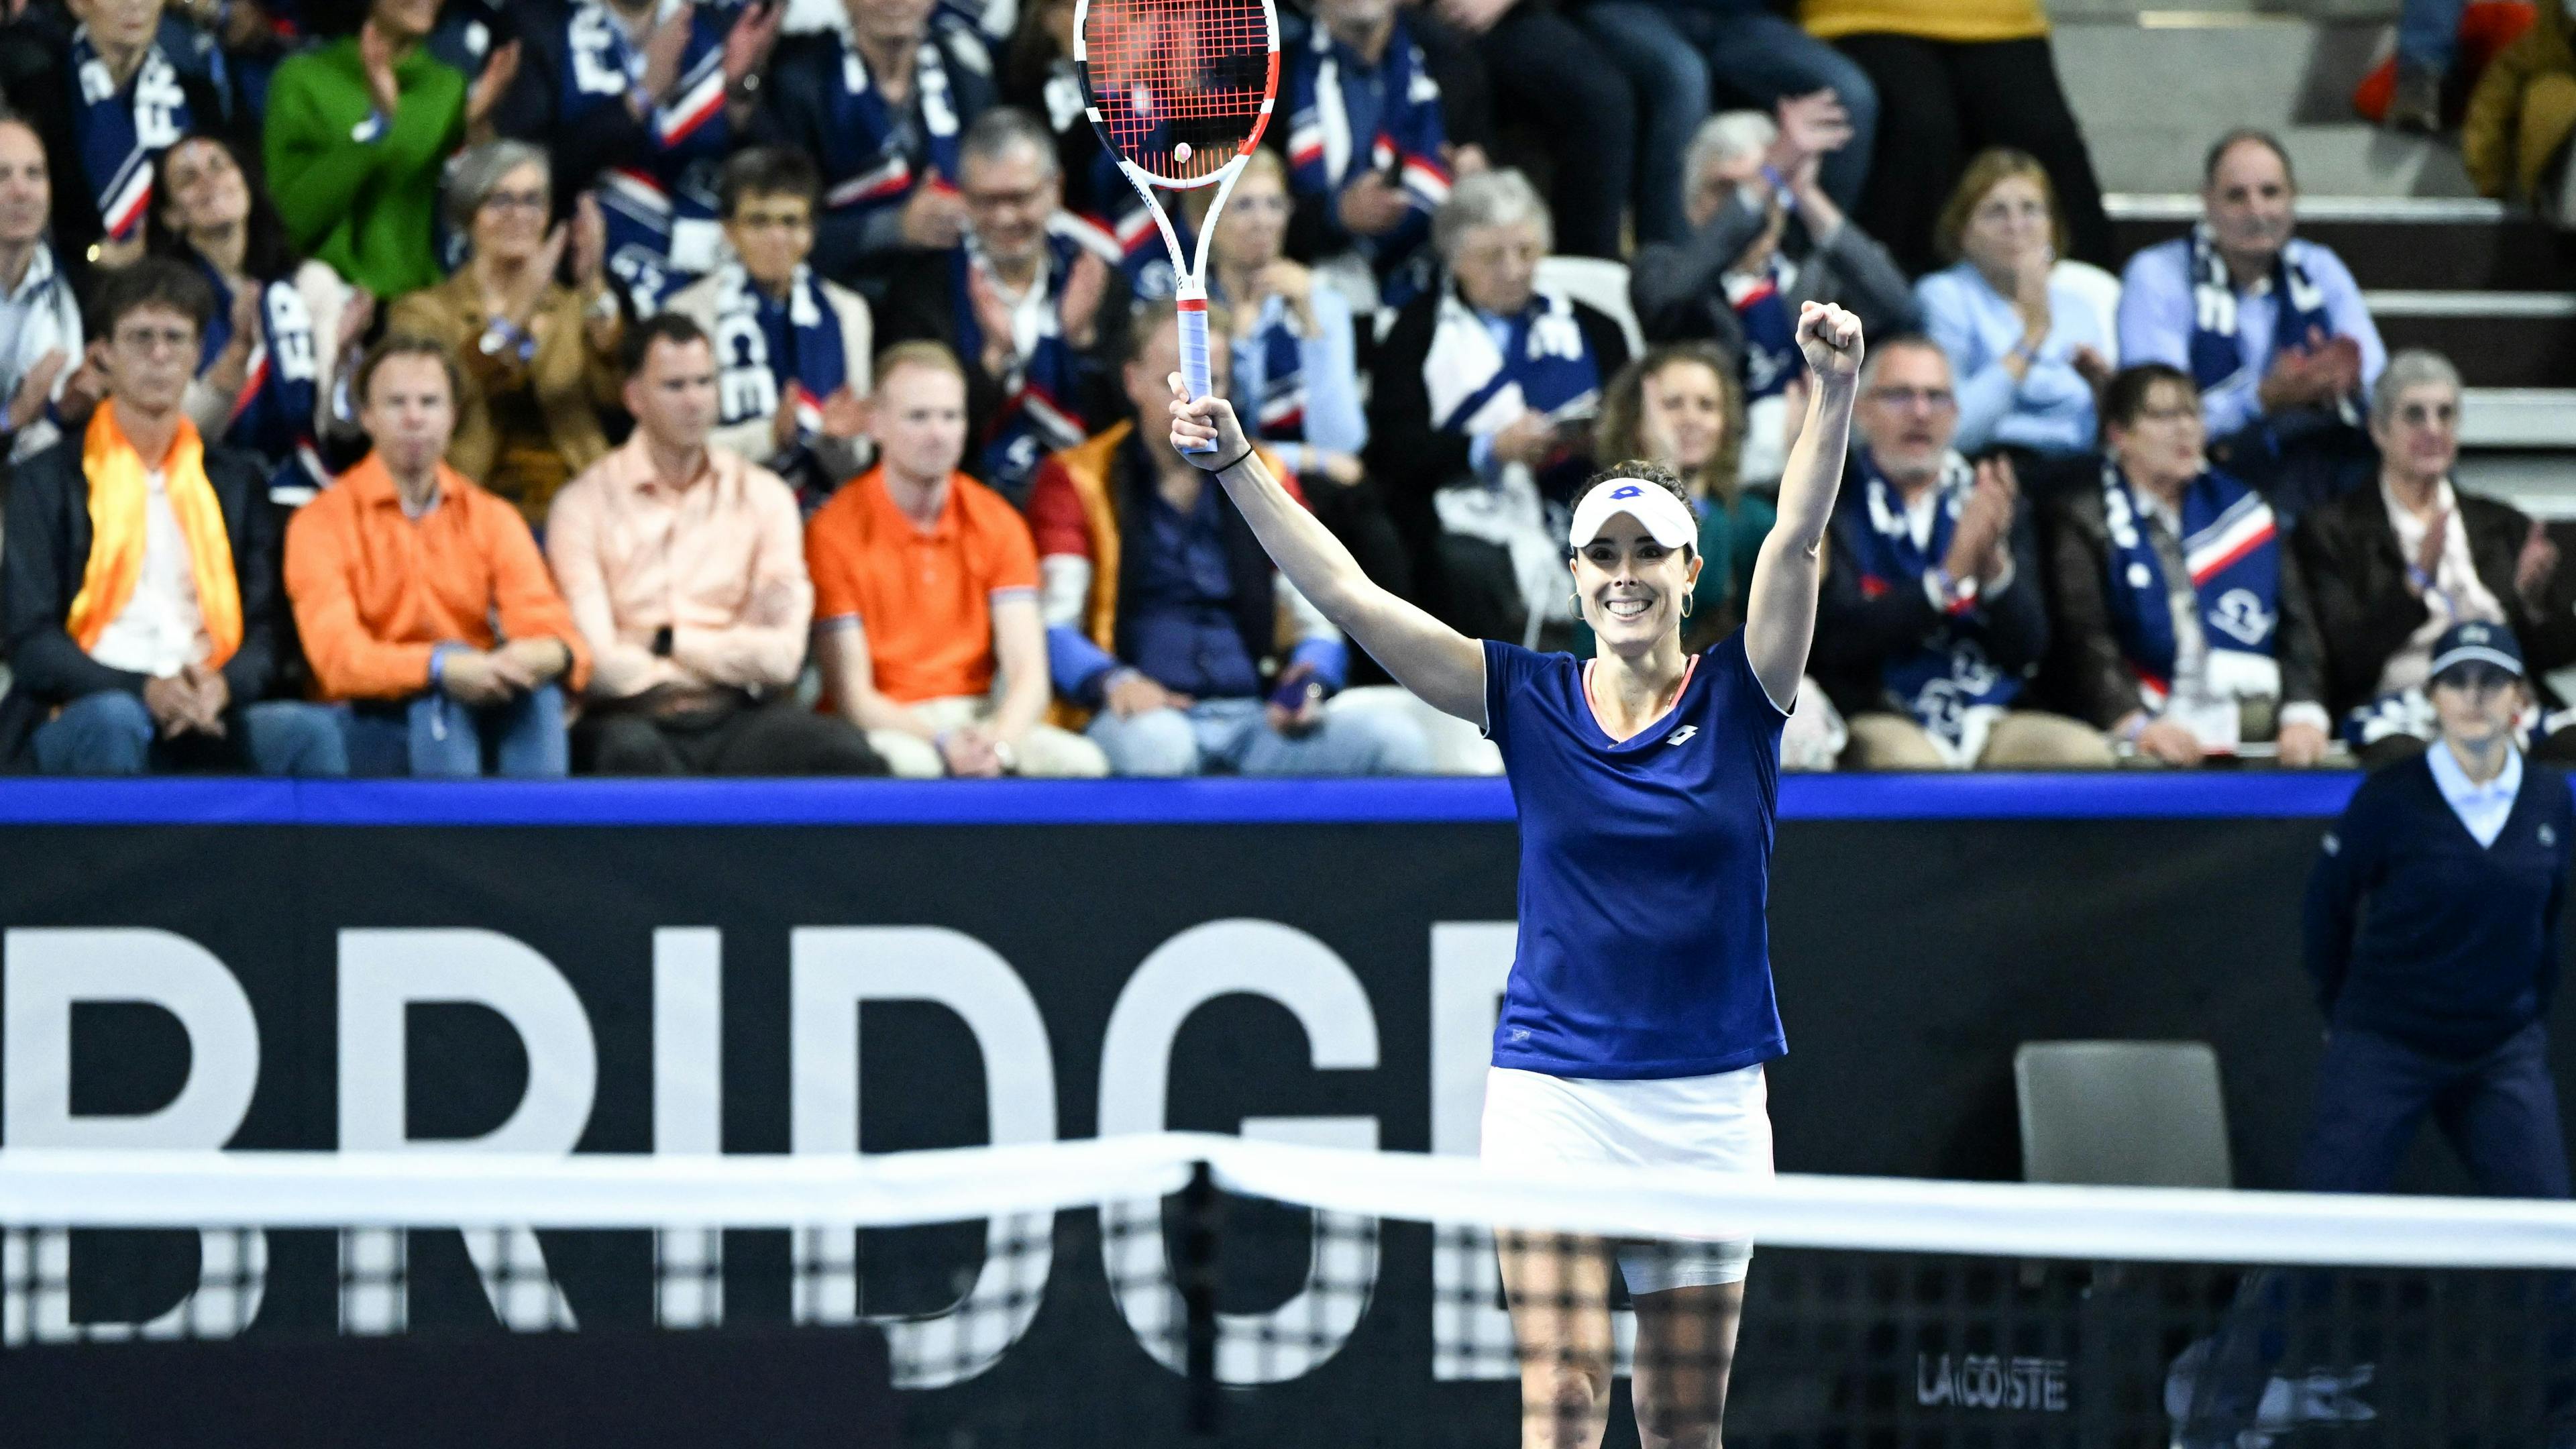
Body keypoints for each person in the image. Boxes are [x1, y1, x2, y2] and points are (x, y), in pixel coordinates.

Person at [1175, 264, 1866, 1437]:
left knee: (1685, 1427)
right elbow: (1348, 593)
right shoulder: (1526, 698)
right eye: (1605, 557)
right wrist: (1242, 464)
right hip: (1554, 1093)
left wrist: (1833, 387)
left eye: (1652, 555)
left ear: (1692, 575)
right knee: (1562, 1392)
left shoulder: (1749, 693)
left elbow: (1796, 545)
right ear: (1578, 576)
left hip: (1705, 1104)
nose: (1628, 575)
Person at [1028, 309, 1429, 777]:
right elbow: (1051, 623)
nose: (1192, 402)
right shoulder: (1078, 478)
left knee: (1395, 743)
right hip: (1142, 716)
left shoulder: (1268, 473)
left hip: (1256, 718)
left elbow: (1320, 610)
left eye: (1210, 380)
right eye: (1171, 384)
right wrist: (1113, 681)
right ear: (1132, 381)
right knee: (1161, 749)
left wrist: (1309, 681)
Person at [0, 258, 346, 773]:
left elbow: (267, 632)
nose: (159, 355)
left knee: (307, 733)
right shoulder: (43, 480)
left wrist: (223, 685)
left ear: (197, 355)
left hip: (210, 703)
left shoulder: (237, 481)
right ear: (104, 355)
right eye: (141, 338)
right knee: (115, 720)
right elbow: (29, 640)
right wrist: (143, 690)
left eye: (175, 339)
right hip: (86, 705)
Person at [2300, 620, 2572, 1198]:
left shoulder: (2550, 799)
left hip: (2500, 1051)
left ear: (2520, 697)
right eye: (2456, 680)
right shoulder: (2388, 798)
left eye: (2492, 680)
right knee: (2317, 1238)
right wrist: (2344, 1014)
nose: (2474, 696)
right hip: (2386, 1043)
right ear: (2432, 698)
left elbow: (2550, 927)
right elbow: (2326, 911)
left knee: (2554, 1246)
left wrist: (2522, 1020)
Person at [545, 314, 885, 775]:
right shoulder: (582, 505)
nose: (694, 402)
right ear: (634, 397)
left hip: (737, 716)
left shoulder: (765, 495)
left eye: (705, 382)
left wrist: (665, 642)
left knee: (843, 754)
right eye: (675, 386)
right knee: (628, 756)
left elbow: (782, 658)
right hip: (630, 719)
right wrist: (730, 654)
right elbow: (599, 665)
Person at [283, 335, 588, 775]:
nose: (414, 418)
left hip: (480, 700)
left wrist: (541, 656)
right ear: (366, 416)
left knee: (539, 696)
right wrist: (440, 666)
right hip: (370, 714)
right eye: (396, 404)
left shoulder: (492, 517)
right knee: (441, 695)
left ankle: (537, 839)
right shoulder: (320, 522)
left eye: (429, 403)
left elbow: (550, 627)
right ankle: (453, 842)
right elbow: (339, 660)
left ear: (453, 416)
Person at [803, 341, 1104, 777]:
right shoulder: (833, 530)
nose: (938, 433)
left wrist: (998, 743)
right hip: (889, 723)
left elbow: (1028, 676)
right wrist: (943, 743)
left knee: (1082, 765)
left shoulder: (996, 520)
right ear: (876, 424)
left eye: (951, 416)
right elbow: (852, 696)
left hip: (980, 717)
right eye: (918, 417)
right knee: (914, 766)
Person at [1815, 333, 2113, 769]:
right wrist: (1945, 582)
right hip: (1880, 708)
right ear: (1862, 410)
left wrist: (1995, 574)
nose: (1920, 412)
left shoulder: (1992, 498)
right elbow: (1835, 645)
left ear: (1955, 413)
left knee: (2085, 755)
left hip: (1991, 713)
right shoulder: (1831, 504)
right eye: (1900, 396)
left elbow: (2029, 649)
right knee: (1911, 767)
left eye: (1936, 397)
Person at [1369, 170, 1630, 645]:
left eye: (1527, 252)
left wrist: (1599, 436)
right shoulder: (1417, 333)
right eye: (1493, 256)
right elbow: (1393, 450)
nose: (1514, 269)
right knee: (1467, 563)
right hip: (1465, 512)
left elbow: (1634, 421)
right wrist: (1489, 449)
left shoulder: (1596, 326)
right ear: (1457, 260)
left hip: (1580, 492)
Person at [2292, 350, 2576, 765]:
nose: (2433, 429)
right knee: (2411, 766)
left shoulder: (2503, 524)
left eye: (2445, 414)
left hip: (2509, 704)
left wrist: (2533, 604)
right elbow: (2342, 661)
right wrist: (2412, 587)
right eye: (2415, 415)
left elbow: (2557, 656)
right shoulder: (2334, 531)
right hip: (2404, 709)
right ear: (2378, 430)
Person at [2045, 362, 2333, 767]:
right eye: (2163, 416)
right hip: (2144, 709)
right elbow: (2086, 639)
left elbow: (2297, 624)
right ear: (2118, 435)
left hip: (2246, 705)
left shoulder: (2244, 511)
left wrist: (2303, 713)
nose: (2184, 429)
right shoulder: (2082, 517)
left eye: (2192, 414)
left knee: (2319, 760)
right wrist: (2135, 725)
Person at [1591, 341, 1848, 771]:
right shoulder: (1600, 515)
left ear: (1727, 422)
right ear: (1637, 418)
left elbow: (1810, 579)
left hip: (1726, 703)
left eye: (1707, 405)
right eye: (1673, 404)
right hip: (1622, 707)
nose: (1691, 419)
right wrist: (1661, 474)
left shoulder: (1746, 516)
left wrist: (1807, 473)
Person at [1631, 103, 1912, 489]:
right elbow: (1664, 301)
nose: (1746, 205)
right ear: (1693, 206)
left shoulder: (1819, 281)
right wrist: (1767, 176)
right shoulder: (1663, 269)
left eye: (1765, 185)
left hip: (1820, 488)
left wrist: (1805, 193)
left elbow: (1900, 309)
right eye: (1725, 190)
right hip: (1712, 490)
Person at [2117, 130, 2385, 525]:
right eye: (2236, 196)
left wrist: (2345, 377)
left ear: (2293, 198)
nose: (2256, 210)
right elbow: (2155, 419)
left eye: (2271, 192)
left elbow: (2378, 378)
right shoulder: (2156, 275)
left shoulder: (2320, 269)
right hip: (2207, 470)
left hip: (2321, 459)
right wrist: (2262, 398)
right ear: (2206, 202)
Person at [875, 107, 1124, 506]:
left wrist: (1084, 343)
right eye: (987, 201)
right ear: (964, 197)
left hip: (1088, 506)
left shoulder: (1096, 280)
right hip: (964, 509)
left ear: (1054, 188)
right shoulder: (922, 292)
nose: (1005, 217)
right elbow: (910, 437)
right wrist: (992, 364)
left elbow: (1126, 426)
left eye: (1019, 198)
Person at [1206, 146, 1409, 600]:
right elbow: (1224, 436)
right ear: (1208, 220)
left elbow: (1342, 440)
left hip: (1319, 487)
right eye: (1244, 205)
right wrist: (1240, 342)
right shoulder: (1195, 312)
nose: (1263, 221)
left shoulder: (1322, 299)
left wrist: (1313, 325)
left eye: (1274, 204)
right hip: (1238, 486)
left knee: (1375, 535)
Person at [386, 140, 624, 529]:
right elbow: (448, 393)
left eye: (533, 201)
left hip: (579, 507)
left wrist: (593, 282)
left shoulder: (570, 308)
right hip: (468, 510)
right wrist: (520, 305)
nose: (519, 215)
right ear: (468, 214)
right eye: (501, 201)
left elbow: (616, 393)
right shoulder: (423, 312)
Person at [489, 0, 780, 304]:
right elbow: (529, 171)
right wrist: (640, 98)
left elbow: (783, 171)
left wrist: (740, 89)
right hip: (580, 279)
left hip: (707, 285)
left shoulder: (719, 25)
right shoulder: (541, 23)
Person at [1799, 0, 2114, 276]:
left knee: (2047, 135)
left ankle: (2093, 307)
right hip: (1864, 14)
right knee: (1921, 131)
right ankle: (1903, 319)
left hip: (1999, 17)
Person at [145, 131, 369, 502]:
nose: (210, 181)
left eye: (220, 166)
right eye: (188, 178)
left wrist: (347, 366)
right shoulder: (161, 306)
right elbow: (170, 435)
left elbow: (336, 430)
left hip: (306, 490)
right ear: (171, 216)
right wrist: (237, 353)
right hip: (204, 495)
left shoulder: (310, 284)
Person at [659, 145, 875, 506]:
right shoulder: (687, 314)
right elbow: (675, 447)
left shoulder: (848, 312)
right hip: (714, 514)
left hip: (820, 514)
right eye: (759, 222)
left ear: (811, 233)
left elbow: (856, 462)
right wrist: (770, 437)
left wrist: (834, 441)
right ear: (729, 231)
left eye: (791, 222)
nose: (777, 239)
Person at [262, 0, 521, 299]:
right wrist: (377, 128)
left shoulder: (448, 87)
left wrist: (477, 126)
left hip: (419, 303)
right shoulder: (302, 81)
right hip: (327, 300)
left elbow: (478, 212)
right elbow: (290, 220)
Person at [752, 0, 995, 283]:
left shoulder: (968, 83)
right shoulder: (798, 85)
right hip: (835, 291)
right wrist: (896, 227)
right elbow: (773, 226)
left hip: (944, 294)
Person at [0, 0, 230, 283]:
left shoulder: (198, 95)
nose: (135, 5)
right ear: (79, 4)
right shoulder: (38, 97)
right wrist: (96, 255)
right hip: (79, 287)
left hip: (192, 282)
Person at [1914, 148, 2112, 468]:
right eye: (1996, 212)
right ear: (1962, 231)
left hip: (2078, 473)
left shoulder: (2079, 307)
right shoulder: (1945, 296)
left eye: (2031, 209)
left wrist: (2103, 391)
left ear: (2053, 227)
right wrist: (2032, 337)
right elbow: (1953, 428)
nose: (2016, 225)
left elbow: (2101, 436)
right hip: (1985, 468)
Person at [1281, 0, 1456, 301]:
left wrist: (1469, 179)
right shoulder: (1276, 73)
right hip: (1304, 279)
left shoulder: (1449, 58)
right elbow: (1249, 200)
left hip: (1428, 279)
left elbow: (1473, 158)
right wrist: (1337, 213)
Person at [0, 113, 89, 466]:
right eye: (1, 175)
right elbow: (19, 418)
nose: (21, 191)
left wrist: (69, 409)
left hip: (43, 493)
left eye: (34, 174)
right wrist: (12, 417)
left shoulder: (72, 290)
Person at [2463, 0, 2576, 213]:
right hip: (2557, 200)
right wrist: (2492, 181)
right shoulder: (2536, 53)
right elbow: (2490, 109)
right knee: (2547, 95)